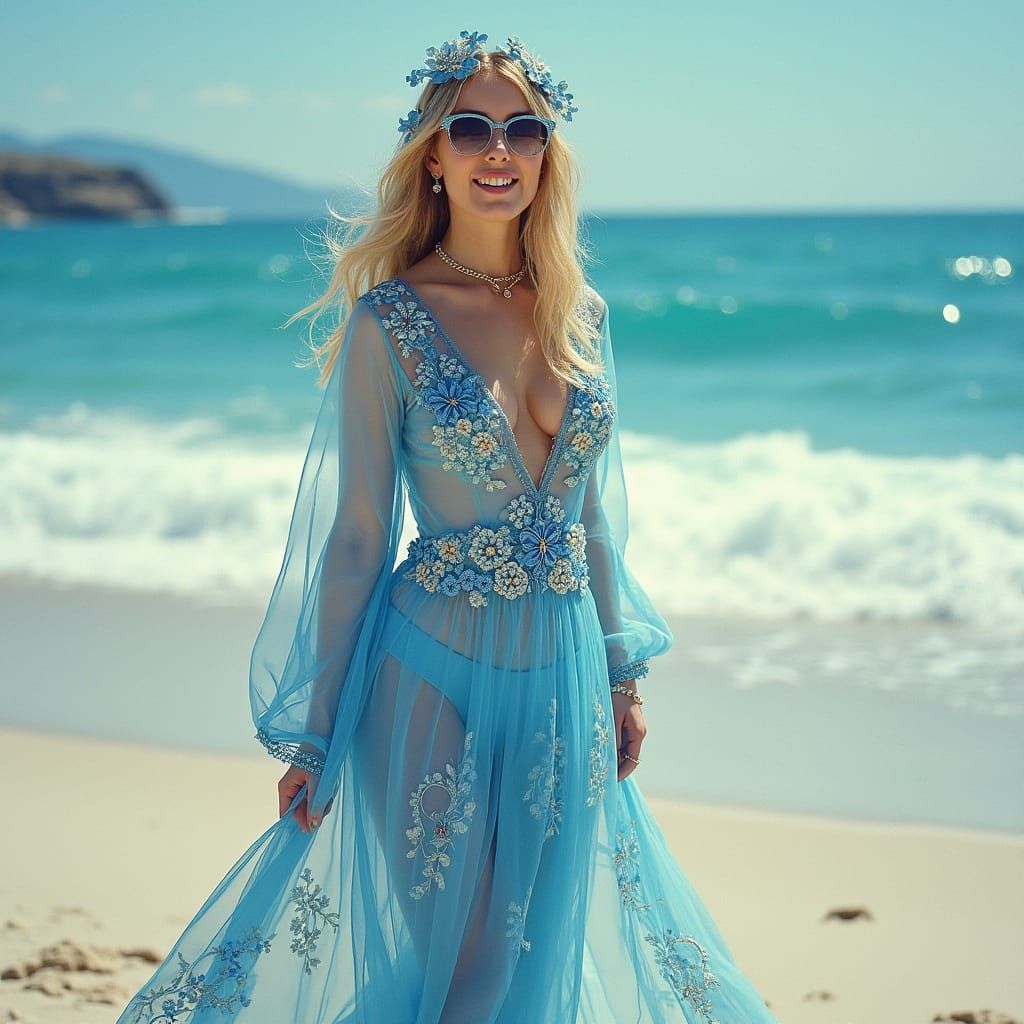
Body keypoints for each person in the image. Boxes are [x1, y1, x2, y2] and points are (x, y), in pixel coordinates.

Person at [116, 31, 780, 1024]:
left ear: (548, 151)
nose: (497, 148)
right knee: (467, 964)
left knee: (528, 964)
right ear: (432, 154)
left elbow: (592, 515)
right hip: (424, 670)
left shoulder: (583, 315)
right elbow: (354, 536)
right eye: (470, 127)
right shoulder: (391, 320)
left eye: (523, 127)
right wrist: (317, 731)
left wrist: (619, 673)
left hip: (561, 673)